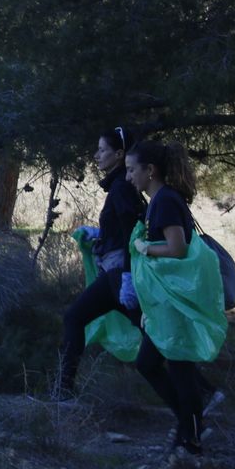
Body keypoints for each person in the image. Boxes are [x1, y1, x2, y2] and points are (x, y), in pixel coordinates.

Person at [124, 139, 219, 453]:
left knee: (175, 366)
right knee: (155, 363)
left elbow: (176, 248)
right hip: (167, 301)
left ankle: (191, 435)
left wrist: (145, 248)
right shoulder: (160, 200)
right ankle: (189, 428)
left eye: (132, 170)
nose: (128, 177)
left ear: (150, 170)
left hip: (175, 302)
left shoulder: (164, 201)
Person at [56, 126, 145, 398]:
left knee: (74, 317)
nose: (96, 155)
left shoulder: (121, 188)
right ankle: (204, 392)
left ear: (119, 154)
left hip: (118, 272)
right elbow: (123, 228)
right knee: (151, 331)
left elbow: (132, 232)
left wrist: (127, 276)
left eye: (102, 150)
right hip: (117, 271)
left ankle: (63, 392)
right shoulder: (121, 186)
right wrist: (99, 234)